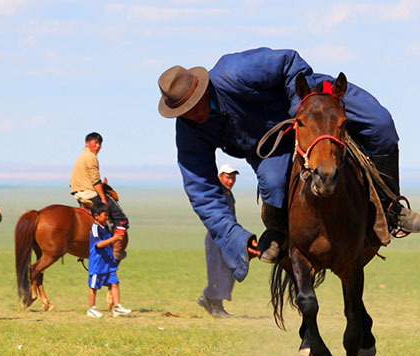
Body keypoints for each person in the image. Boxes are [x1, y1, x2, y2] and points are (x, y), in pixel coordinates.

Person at [157, 47, 420, 281]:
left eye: (193, 105)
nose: (191, 115)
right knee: (273, 183)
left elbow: (288, 61)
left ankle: (390, 209)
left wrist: (301, 112)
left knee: (380, 125)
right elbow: (201, 190)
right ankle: (279, 232)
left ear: (204, 89)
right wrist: (235, 237)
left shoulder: (235, 72)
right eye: (182, 112)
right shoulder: (190, 129)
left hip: (312, 102)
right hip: (274, 147)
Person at [197, 164, 241, 318]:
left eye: (233, 177)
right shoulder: (217, 192)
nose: (231, 180)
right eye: (228, 177)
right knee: (218, 271)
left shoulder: (227, 193)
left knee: (229, 270)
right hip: (217, 236)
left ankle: (208, 299)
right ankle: (216, 307)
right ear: (220, 177)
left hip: (227, 237)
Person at [69, 132, 129, 230]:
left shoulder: (81, 157)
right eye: (95, 143)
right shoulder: (91, 156)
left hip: (78, 194)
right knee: (120, 217)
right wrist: (103, 199)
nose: (98, 146)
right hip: (90, 194)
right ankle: (115, 243)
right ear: (87, 143)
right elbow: (95, 180)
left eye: (100, 144)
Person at [86, 202, 131, 318]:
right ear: (96, 216)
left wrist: (116, 239)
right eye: (105, 215)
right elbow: (99, 244)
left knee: (115, 282)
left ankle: (117, 307)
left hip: (108, 261)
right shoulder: (95, 228)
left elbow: (108, 242)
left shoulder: (105, 227)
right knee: (94, 286)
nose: (106, 218)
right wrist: (114, 238)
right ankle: (91, 308)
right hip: (98, 262)